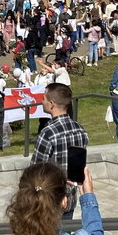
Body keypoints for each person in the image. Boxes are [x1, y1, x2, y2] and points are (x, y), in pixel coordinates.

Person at [31, 83, 89, 220]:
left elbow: (34, 172)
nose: (41, 101)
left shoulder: (48, 133)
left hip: (48, 203)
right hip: (69, 201)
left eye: (43, 98)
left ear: (51, 104)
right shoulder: (80, 131)